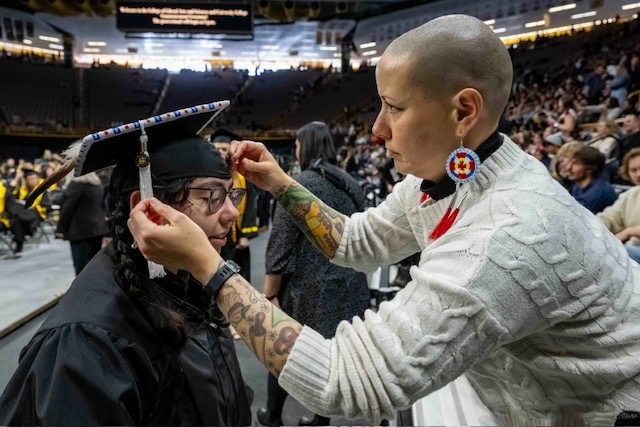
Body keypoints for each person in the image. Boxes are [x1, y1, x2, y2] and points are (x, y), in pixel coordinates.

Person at [128, 15, 640, 426]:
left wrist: (208, 266)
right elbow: (356, 241)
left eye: (394, 107)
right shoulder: (451, 175)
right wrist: (280, 183)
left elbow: (345, 382)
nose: (376, 129)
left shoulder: (509, 236)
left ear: (463, 111)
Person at [0, 102, 252, 425]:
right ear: (147, 207)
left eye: (231, 195)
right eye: (212, 197)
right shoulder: (86, 344)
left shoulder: (184, 281)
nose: (231, 213)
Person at [257, 121, 370, 427]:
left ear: (305, 146)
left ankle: (273, 417)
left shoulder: (299, 184)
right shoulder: (352, 182)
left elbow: (280, 245)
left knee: (282, 353)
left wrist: (269, 295)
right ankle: (321, 422)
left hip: (308, 288)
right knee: (333, 358)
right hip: (350, 284)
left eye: (296, 145)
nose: (295, 150)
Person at [211, 128, 259, 341]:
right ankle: (219, 318)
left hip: (236, 233)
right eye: (217, 148)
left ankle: (237, 320)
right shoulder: (207, 171)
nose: (221, 152)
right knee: (215, 275)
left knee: (238, 277)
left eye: (224, 148)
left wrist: (245, 234)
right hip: (215, 235)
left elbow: (250, 204)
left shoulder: (241, 173)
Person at [54, 171, 109, 275]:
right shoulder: (97, 186)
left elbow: (67, 209)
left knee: (81, 267)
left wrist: (60, 229)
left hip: (80, 232)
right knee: (94, 264)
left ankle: (82, 290)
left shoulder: (76, 186)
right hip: (97, 230)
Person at [598, 147, 640, 263]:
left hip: (631, 251)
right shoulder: (630, 195)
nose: (638, 174)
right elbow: (608, 218)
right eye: (633, 170)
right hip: (631, 249)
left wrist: (629, 232)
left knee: (616, 255)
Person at [567, 146, 618, 214]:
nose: (568, 167)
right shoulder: (577, 186)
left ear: (590, 169)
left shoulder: (599, 193)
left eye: (576, 164)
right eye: (570, 162)